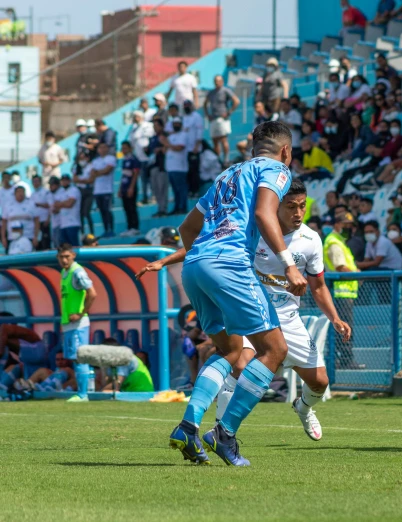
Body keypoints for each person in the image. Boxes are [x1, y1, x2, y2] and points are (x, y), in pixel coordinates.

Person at [137, 179, 352, 440]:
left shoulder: (311, 240)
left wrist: (335, 317)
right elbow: (206, 244)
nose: (297, 213)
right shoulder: (252, 229)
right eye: (291, 206)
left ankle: (303, 408)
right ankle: (222, 432)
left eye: (302, 206)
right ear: (276, 206)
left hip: (287, 317)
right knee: (238, 363)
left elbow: (318, 287)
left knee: (319, 382)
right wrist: (164, 260)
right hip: (251, 309)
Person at [159, 121, 304, 467]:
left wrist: (208, 259)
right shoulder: (276, 169)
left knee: (231, 349)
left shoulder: (227, 174)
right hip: (228, 263)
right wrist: (289, 265)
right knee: (275, 349)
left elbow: (187, 228)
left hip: (195, 266)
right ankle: (224, 434)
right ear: (285, 151)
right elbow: (263, 213)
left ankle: (188, 426)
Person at [57, 244, 97, 402]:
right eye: (61, 257)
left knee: (80, 357)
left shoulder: (78, 271)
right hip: (68, 322)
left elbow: (92, 293)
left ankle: (83, 394)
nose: (64, 260)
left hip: (78, 324)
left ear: (73, 255)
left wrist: (81, 313)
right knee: (74, 357)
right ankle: (81, 392)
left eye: (67, 256)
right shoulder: (64, 272)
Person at [324, 212, 362, 370]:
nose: (348, 228)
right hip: (340, 293)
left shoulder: (340, 241)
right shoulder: (334, 242)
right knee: (344, 328)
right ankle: (345, 360)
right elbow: (340, 267)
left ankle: (340, 359)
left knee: (343, 327)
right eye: (345, 225)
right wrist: (357, 274)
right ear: (336, 225)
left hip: (344, 293)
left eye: (350, 226)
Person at [205, 75, 239, 165]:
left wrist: (229, 112)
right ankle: (218, 160)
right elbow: (205, 103)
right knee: (215, 140)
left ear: (222, 81)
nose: (217, 82)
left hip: (222, 118)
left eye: (219, 80)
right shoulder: (211, 92)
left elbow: (236, 101)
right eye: (216, 80)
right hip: (213, 118)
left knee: (223, 139)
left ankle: (226, 159)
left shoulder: (225, 90)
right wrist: (207, 115)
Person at [161, 117, 189, 215]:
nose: (176, 125)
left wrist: (167, 144)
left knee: (181, 188)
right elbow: (164, 150)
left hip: (179, 167)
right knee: (174, 189)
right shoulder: (171, 137)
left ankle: (182, 207)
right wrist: (165, 143)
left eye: (178, 123)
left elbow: (179, 147)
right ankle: (176, 207)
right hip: (170, 167)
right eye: (174, 124)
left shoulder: (183, 135)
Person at [88, 142, 116, 238]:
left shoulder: (111, 158)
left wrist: (98, 172)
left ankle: (111, 229)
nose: (102, 149)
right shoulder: (95, 161)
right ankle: (105, 229)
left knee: (107, 210)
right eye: (100, 147)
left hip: (107, 190)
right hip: (97, 190)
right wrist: (100, 172)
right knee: (102, 211)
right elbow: (92, 174)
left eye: (104, 147)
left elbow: (107, 171)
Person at [1, 185, 39, 252]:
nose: (20, 194)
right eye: (18, 192)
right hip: (12, 237)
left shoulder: (31, 204)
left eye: (22, 192)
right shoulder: (8, 205)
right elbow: (4, 223)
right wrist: (3, 238)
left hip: (29, 236)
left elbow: (37, 222)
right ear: (15, 194)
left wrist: (36, 237)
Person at [128, 111, 154, 204]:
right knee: (143, 179)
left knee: (151, 179)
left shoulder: (148, 125)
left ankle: (152, 196)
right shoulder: (134, 129)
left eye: (137, 117)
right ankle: (145, 197)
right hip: (138, 157)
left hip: (148, 157)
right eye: (134, 117)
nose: (135, 119)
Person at [118, 141, 141, 237]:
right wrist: (120, 188)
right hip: (124, 187)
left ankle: (135, 227)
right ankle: (129, 227)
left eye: (125, 148)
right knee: (126, 207)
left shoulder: (133, 159)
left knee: (131, 207)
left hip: (130, 187)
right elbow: (123, 175)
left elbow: (135, 174)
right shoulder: (124, 160)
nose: (123, 150)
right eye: (122, 148)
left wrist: (131, 187)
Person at [52, 174, 82, 246]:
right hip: (63, 224)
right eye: (63, 181)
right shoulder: (61, 192)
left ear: (69, 181)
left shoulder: (74, 190)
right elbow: (55, 206)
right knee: (65, 247)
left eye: (66, 180)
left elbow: (70, 204)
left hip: (73, 223)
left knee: (75, 246)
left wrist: (61, 204)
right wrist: (64, 203)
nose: (64, 182)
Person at [30, 174, 52, 250]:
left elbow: (50, 205)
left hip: (44, 220)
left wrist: (48, 219)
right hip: (36, 223)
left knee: (46, 241)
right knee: (38, 242)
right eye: (33, 182)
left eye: (37, 181)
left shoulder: (46, 192)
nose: (35, 183)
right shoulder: (32, 195)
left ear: (40, 182)